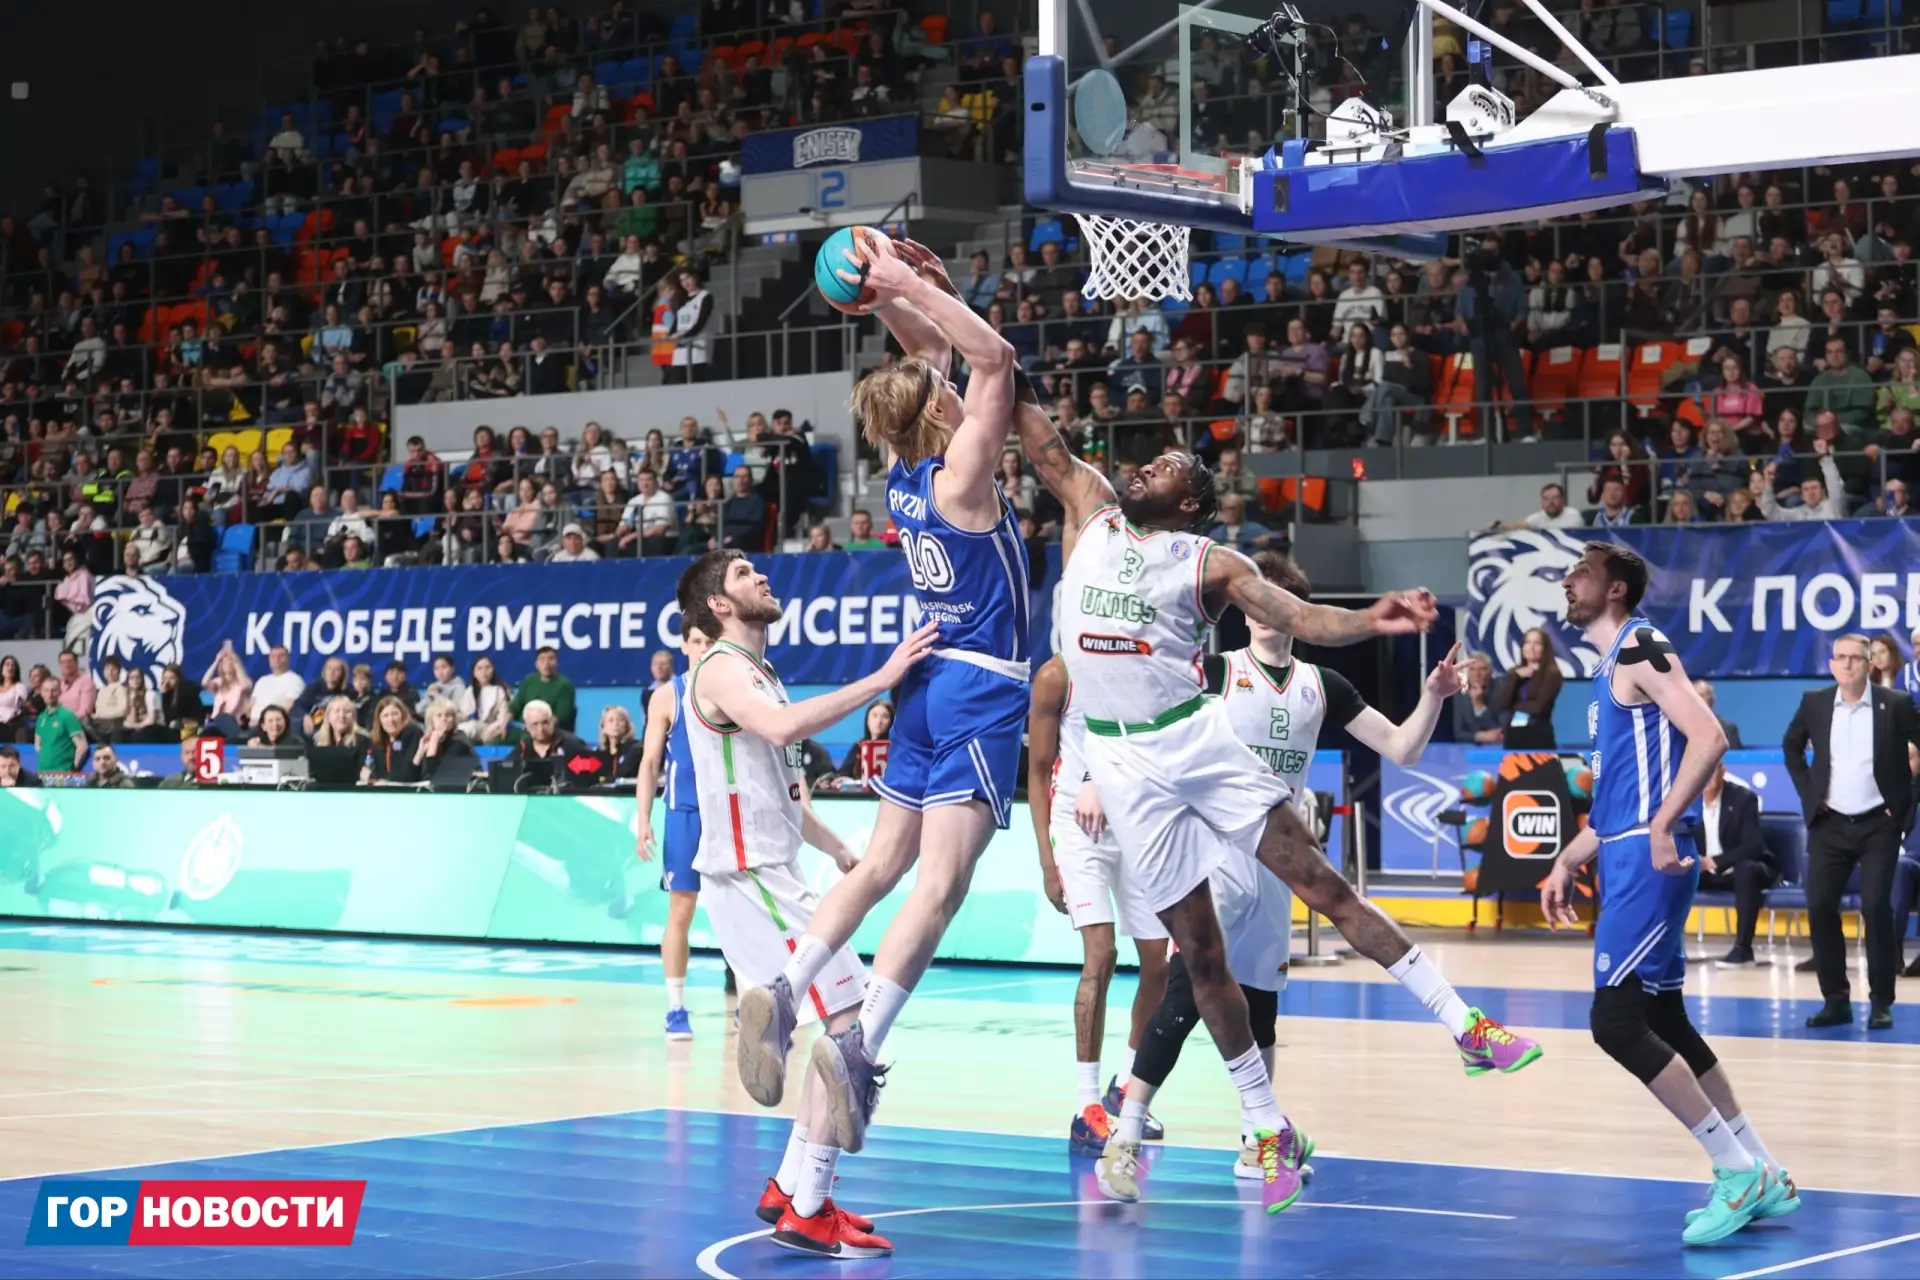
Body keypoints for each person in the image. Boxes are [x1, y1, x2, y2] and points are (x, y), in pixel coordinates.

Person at [1010, 385, 1533, 1212]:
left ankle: (1464, 1024)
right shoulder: (1095, 511)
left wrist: (1375, 618)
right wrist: (970, 353)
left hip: (1195, 745)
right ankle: (1252, 1125)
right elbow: (1033, 428)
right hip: (1127, 768)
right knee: (1197, 965)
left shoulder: (1211, 564)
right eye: (1148, 461)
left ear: (1190, 502)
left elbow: (1304, 617)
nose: (1144, 468)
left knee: (1324, 890)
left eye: (1166, 467)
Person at [735, 237, 1032, 1167]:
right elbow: (995, 359)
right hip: (982, 687)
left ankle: (786, 989)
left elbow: (932, 355)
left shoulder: (906, 475)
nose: (950, 385)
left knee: (879, 865)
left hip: (924, 687)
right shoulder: (964, 476)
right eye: (944, 389)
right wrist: (901, 286)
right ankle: (860, 1045)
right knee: (938, 886)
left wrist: (908, 293)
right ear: (941, 410)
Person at [1120, 552, 1523, 1184]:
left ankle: (1256, 1143)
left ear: (1295, 614)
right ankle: (1127, 1129)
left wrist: (1433, 697)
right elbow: (1150, 733)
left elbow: (1402, 749)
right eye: (1254, 600)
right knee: (1187, 992)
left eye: (1276, 600)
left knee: (1261, 1008)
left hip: (1278, 863)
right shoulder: (1217, 673)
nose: (1263, 611)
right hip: (1216, 855)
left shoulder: (1323, 685)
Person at [678, 548, 936, 1258]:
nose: (760, 575)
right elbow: (783, 729)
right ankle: (810, 1206)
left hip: (773, 870)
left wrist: (837, 848)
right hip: (751, 874)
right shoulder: (721, 666)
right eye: (742, 574)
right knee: (850, 1025)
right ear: (719, 605)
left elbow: (787, 793)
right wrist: (882, 678)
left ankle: (792, 1185)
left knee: (841, 1022)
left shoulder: (761, 673)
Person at [1542, 542, 1796, 1245]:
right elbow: (1618, 802)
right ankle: (1763, 1170)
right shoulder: (1608, 667)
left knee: (1616, 1025)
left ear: (1616, 589)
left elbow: (1708, 736)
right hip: (1624, 849)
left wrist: (1661, 825)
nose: (1568, 579)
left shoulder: (1640, 645)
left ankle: (1735, 1171)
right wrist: (1569, 857)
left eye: (1582, 571)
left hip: (1646, 860)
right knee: (1666, 1020)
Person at [1026, 655, 1171, 1156]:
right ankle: (1086, 1107)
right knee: (1101, 955)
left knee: (1160, 964)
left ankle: (1126, 1085)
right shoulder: (1056, 676)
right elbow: (1038, 771)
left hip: (1134, 824)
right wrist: (1047, 860)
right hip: (1076, 829)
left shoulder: (1141, 663)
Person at [1782, 633, 1920, 1029]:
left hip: (1880, 823)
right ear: (1831, 664)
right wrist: (1810, 793)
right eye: (1840, 657)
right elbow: (1791, 747)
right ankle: (1836, 1000)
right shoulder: (1815, 702)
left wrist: (1905, 801)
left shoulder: (1895, 703)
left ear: (1869, 664)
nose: (1847, 664)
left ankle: (1881, 1001)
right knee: (1820, 906)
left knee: (1876, 906)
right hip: (1830, 824)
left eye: (1855, 658)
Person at [635, 615, 715, 1041]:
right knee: (681, 910)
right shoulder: (668, 696)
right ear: (684, 646)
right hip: (685, 812)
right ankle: (676, 1007)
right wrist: (643, 818)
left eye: (710, 641)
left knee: (741, 911)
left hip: (728, 813)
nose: (704, 648)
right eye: (697, 641)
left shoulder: (738, 689)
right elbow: (650, 763)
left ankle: (753, 1003)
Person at [1693, 761, 1776, 967]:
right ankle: (1669, 948)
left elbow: (1753, 846)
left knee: (1746, 870)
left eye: (1712, 770)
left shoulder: (1743, 798)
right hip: (1704, 873)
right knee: (1669, 874)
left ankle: (1743, 949)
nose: (1706, 776)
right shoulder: (1687, 801)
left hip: (1742, 872)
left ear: (1722, 772)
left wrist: (1713, 862)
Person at [1493, 628, 1562, 748]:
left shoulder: (1552, 674)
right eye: (1528, 642)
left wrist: (1512, 706)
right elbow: (1502, 704)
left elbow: (1539, 707)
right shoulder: (1514, 673)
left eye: (1537, 643)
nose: (1531, 647)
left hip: (1538, 735)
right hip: (1513, 734)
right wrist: (1515, 677)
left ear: (1544, 648)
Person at [1452, 651, 1505, 743]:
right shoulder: (1461, 693)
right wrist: (1480, 736)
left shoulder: (1502, 690)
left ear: (1491, 672)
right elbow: (1458, 733)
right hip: (1469, 747)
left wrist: (1479, 706)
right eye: (1472, 669)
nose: (1477, 674)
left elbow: (1502, 730)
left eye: (1482, 669)